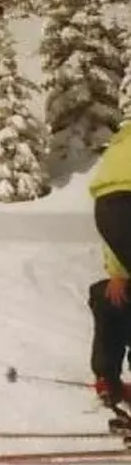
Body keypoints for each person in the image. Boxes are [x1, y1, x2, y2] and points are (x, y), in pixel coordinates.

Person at [88, 120, 131, 405]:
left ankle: (107, 378)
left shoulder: (123, 139)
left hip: (106, 206)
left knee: (113, 294)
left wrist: (117, 272)